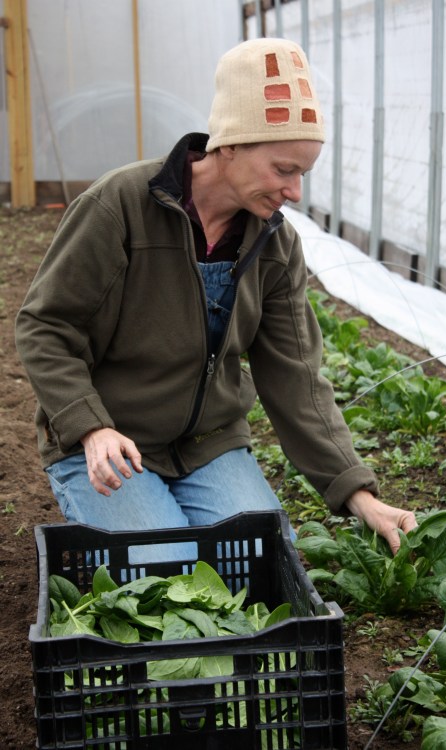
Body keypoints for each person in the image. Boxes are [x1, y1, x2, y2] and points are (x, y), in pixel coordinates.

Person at [16, 37, 416, 562]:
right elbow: (46, 326)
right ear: (231, 144)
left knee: (259, 566)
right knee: (165, 575)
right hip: (112, 438)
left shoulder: (275, 243)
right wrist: (89, 427)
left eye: (303, 172)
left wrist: (358, 494)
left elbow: (295, 375)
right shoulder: (120, 206)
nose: (295, 191)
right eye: (284, 169)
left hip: (208, 445)